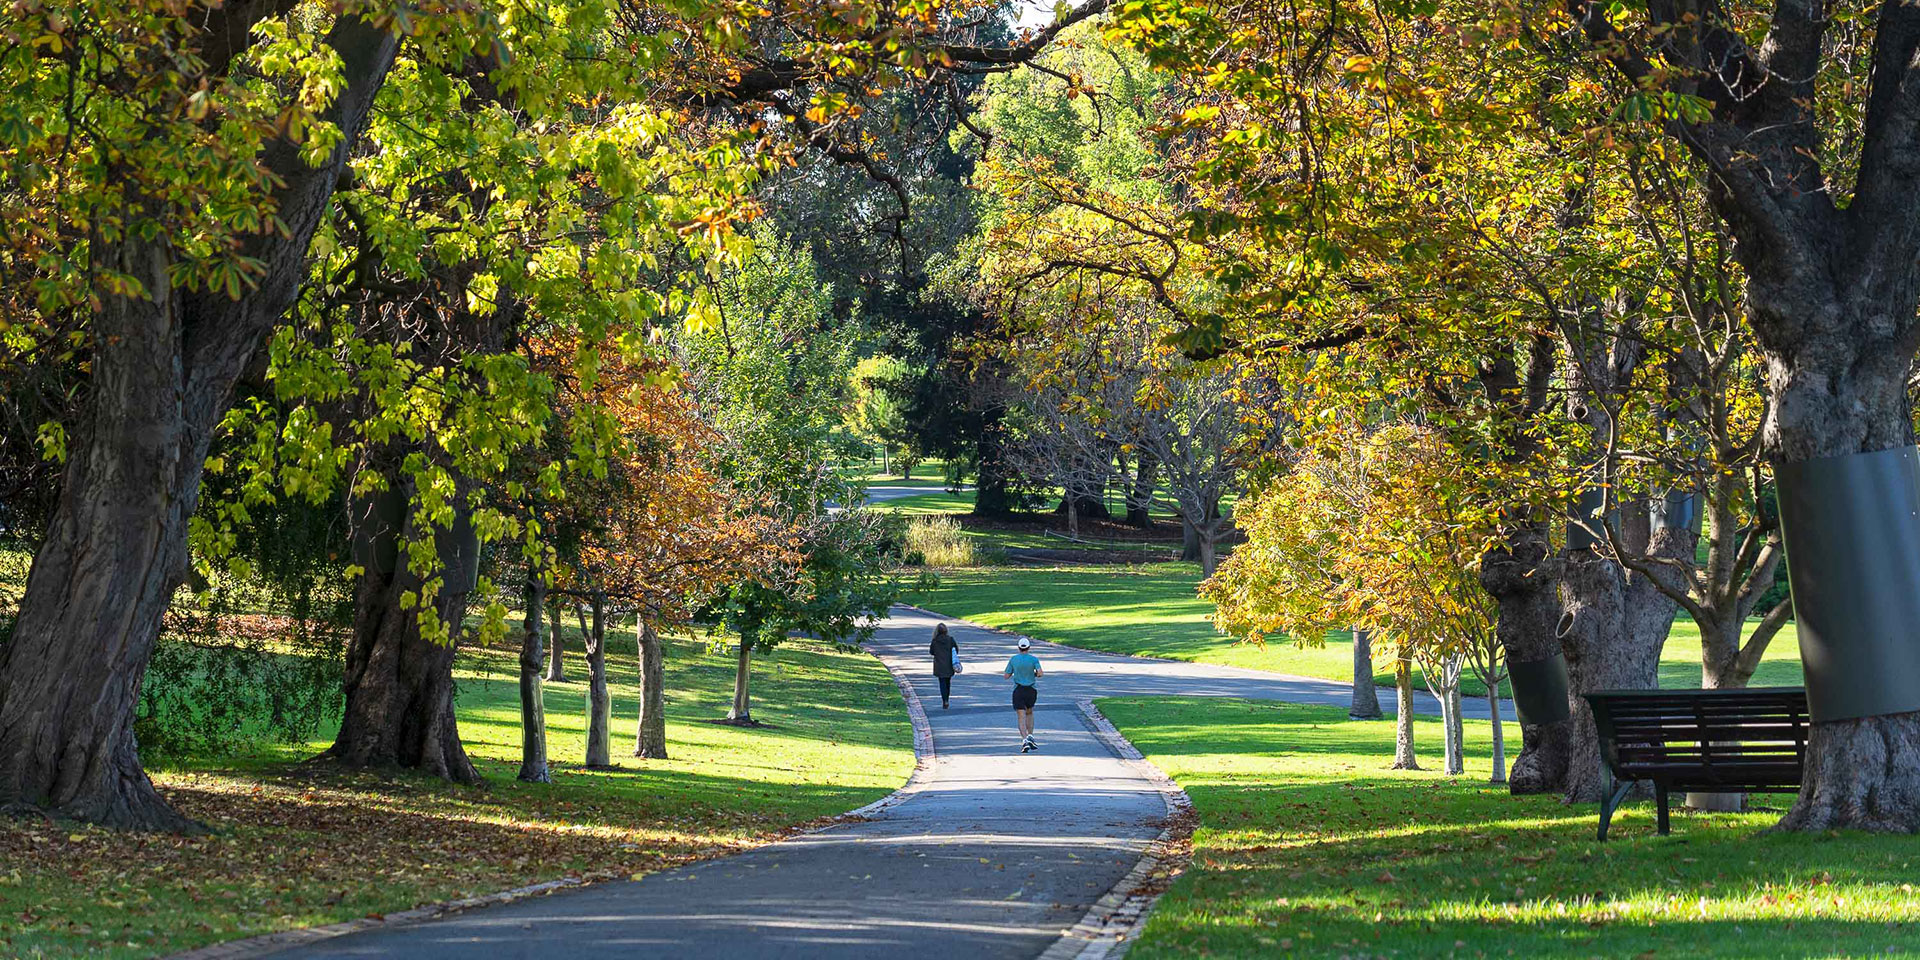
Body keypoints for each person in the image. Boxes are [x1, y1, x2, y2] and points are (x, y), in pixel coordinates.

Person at [1004, 638, 1043, 752]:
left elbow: (1006, 676)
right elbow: (1040, 673)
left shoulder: (1014, 659)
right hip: (1031, 689)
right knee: (1029, 712)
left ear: (1019, 647)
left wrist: (1015, 672)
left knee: (1021, 716)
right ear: (1029, 647)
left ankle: (1024, 739)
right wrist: (1033, 674)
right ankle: (1031, 735)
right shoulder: (1034, 659)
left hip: (1018, 689)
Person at [929, 623, 960, 709]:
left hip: (939, 665)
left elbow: (931, 652)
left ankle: (944, 700)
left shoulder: (935, 641)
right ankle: (947, 698)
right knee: (948, 682)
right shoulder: (950, 640)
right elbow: (956, 650)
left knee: (942, 683)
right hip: (949, 665)